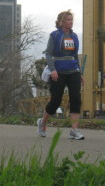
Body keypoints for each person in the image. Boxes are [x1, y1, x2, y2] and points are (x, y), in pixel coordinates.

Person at [37, 10, 84, 139]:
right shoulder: (55, 35)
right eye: (68, 20)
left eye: (71, 20)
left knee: (76, 99)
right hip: (58, 72)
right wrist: (52, 70)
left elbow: (74, 55)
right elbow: (48, 53)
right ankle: (42, 122)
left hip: (73, 71)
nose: (71, 22)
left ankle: (74, 131)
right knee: (56, 101)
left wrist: (79, 72)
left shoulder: (74, 36)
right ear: (62, 22)